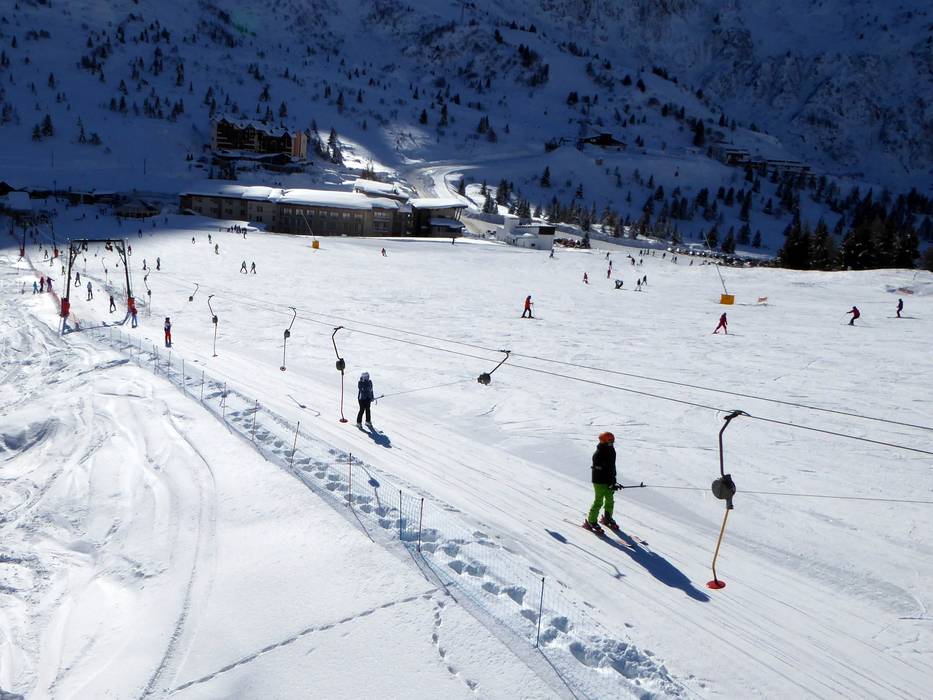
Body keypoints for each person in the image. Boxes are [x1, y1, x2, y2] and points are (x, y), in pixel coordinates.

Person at [584, 432, 618, 533]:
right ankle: (591, 521)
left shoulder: (611, 450)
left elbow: (612, 468)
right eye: (610, 440)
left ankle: (607, 517)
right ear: (603, 441)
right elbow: (603, 470)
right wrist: (610, 482)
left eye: (612, 440)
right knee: (599, 501)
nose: (612, 442)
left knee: (610, 499)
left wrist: (613, 481)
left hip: (609, 480)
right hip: (599, 481)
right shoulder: (599, 454)